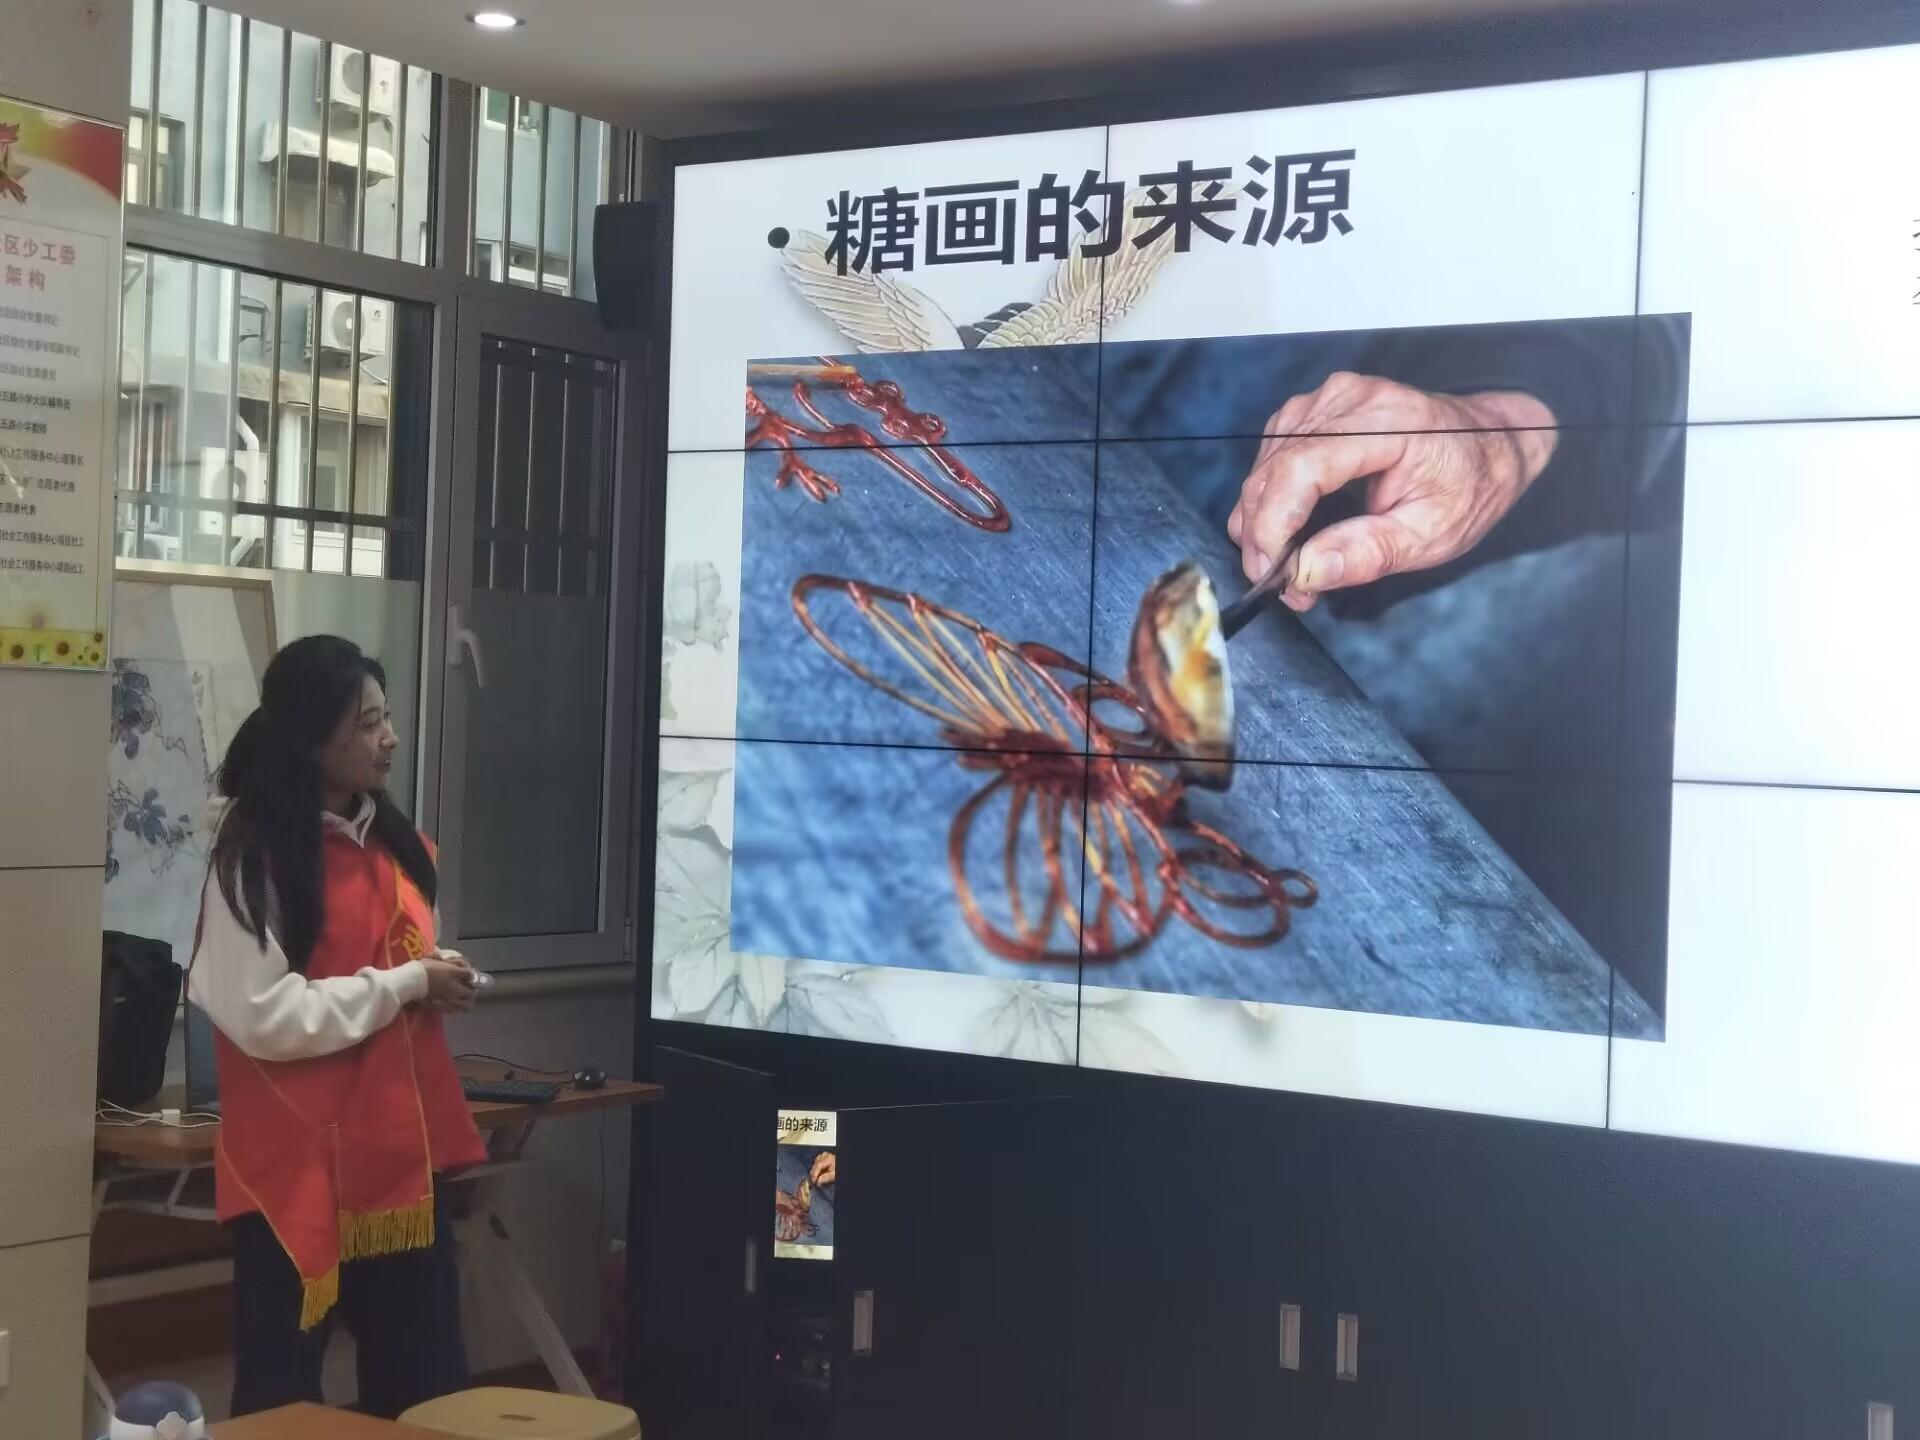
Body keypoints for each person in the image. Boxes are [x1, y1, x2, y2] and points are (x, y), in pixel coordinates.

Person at [186, 635, 485, 1418]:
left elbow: (392, 962)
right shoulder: (253, 856)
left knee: (428, 1399)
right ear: (310, 737)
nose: (390, 739)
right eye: (367, 724)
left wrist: (435, 978)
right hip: (295, 1177)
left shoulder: (398, 845)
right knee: (281, 1407)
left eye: (387, 718)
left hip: (398, 1167)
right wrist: (406, 984)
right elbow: (265, 1017)